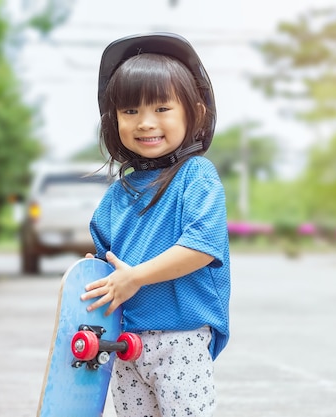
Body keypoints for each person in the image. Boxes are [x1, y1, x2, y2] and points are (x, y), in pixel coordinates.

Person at [81, 32, 231, 417]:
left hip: (180, 339)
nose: (145, 123)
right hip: (125, 343)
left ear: (193, 111)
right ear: (113, 120)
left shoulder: (196, 175)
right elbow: (105, 262)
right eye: (130, 112)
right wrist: (96, 274)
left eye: (162, 108)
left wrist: (135, 278)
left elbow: (201, 246)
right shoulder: (118, 194)